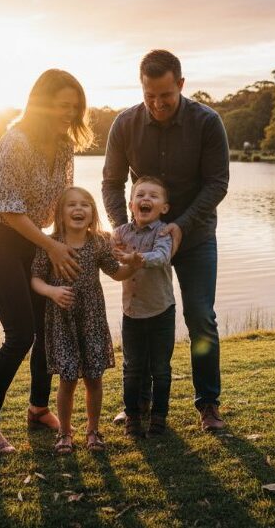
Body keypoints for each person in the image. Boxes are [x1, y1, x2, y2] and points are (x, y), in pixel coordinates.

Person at [102, 50, 230, 432]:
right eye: (149, 96)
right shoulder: (125, 124)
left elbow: (217, 183)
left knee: (200, 317)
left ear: (180, 85)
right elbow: (111, 182)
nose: (157, 104)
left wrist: (181, 226)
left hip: (194, 235)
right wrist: (123, 228)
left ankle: (208, 405)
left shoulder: (207, 122)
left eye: (166, 96)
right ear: (141, 87)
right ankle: (138, 407)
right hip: (141, 241)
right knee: (139, 318)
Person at [0, 69, 94, 454]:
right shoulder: (15, 142)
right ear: (41, 104)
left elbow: (62, 202)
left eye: (75, 108)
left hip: (38, 242)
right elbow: (9, 211)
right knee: (21, 334)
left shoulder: (63, 147)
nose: (69, 115)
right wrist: (53, 248)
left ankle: (39, 409)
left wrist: (85, 239)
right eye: (62, 106)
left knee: (48, 329)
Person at [30, 187, 139, 454]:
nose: (78, 210)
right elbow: (35, 279)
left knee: (94, 377)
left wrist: (135, 264)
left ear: (92, 213)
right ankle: (64, 433)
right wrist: (52, 292)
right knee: (68, 378)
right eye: (71, 205)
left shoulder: (99, 242)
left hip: (92, 318)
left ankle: (93, 431)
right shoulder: (50, 243)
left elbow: (117, 273)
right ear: (60, 213)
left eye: (85, 205)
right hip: (62, 320)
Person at [111, 176, 175, 438]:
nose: (145, 199)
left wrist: (136, 258)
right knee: (132, 367)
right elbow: (109, 256)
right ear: (131, 204)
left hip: (161, 311)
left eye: (153, 196)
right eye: (140, 195)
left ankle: (159, 417)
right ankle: (133, 417)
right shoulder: (121, 234)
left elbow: (161, 257)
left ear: (164, 207)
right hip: (132, 313)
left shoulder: (164, 232)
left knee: (160, 367)